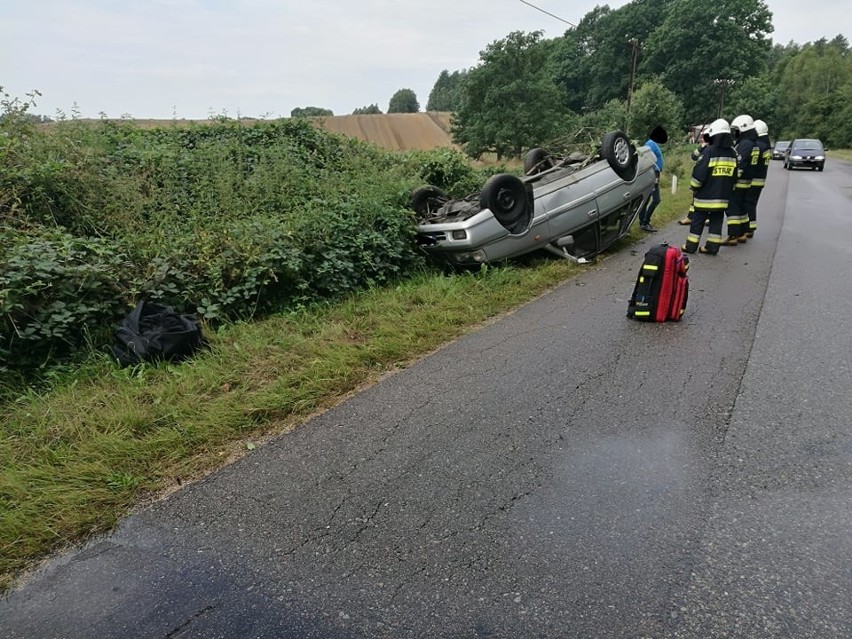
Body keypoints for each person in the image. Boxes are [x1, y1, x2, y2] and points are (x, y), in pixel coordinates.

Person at [681, 118, 738, 255]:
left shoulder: (709, 151)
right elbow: (735, 176)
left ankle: (691, 246)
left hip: (705, 196)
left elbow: (700, 172)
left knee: (697, 221)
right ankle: (712, 248)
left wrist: (694, 187)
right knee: (716, 222)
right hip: (722, 198)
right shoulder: (732, 153)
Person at [724, 114, 758, 245]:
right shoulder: (753, 144)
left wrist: (730, 179)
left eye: (737, 130)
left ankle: (733, 235)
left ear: (743, 129)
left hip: (738, 182)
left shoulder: (745, 144)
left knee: (732, 209)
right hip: (747, 182)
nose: (735, 133)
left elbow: (740, 163)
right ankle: (743, 232)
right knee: (742, 208)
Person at [678, 129, 711, 226]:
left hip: (709, 177)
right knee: (696, 197)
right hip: (700, 176)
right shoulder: (703, 147)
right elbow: (693, 156)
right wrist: (702, 147)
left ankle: (708, 217)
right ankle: (690, 217)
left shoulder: (714, 149)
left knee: (708, 198)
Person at [638, 125, 668, 232]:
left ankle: (643, 222)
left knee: (646, 199)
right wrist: (655, 172)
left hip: (654, 174)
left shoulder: (653, 144)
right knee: (656, 199)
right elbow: (648, 159)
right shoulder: (650, 144)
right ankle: (645, 222)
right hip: (653, 174)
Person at [745, 119, 771, 238]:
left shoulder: (758, 146)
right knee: (752, 204)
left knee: (748, 204)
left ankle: (749, 228)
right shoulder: (766, 145)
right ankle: (751, 227)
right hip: (760, 180)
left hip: (753, 180)